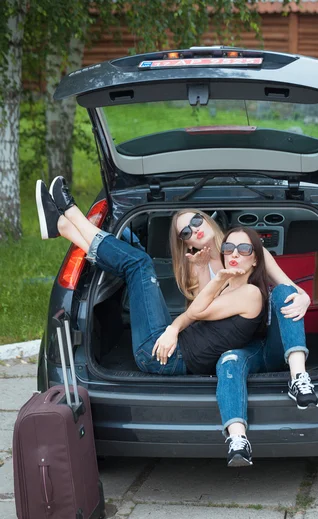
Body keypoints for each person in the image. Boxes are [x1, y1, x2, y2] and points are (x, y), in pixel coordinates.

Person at [35, 178, 270, 467]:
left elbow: (199, 313)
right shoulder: (202, 264)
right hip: (170, 347)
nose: (195, 229)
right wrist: (201, 271)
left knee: (138, 264)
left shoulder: (243, 267)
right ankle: (67, 225)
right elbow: (199, 309)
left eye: (196, 220)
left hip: (163, 355)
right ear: (184, 241)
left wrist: (174, 328)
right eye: (186, 231)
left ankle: (69, 219)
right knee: (136, 264)